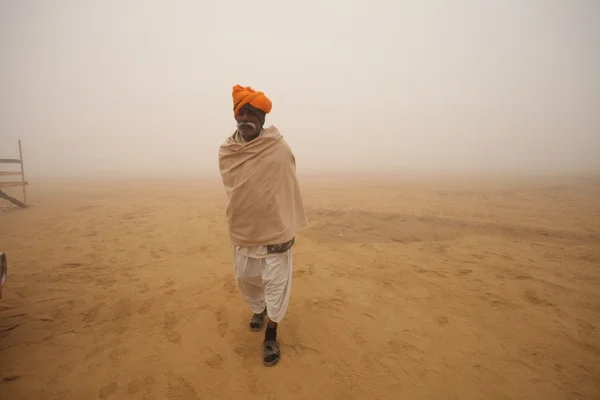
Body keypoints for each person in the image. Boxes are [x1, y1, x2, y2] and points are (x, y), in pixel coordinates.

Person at [218, 85, 308, 366]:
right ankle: (258, 309)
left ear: (261, 119)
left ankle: (271, 333)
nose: (244, 118)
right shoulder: (228, 150)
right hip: (244, 229)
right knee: (246, 278)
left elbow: (287, 181)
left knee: (276, 284)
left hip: (276, 231)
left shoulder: (278, 147)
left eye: (250, 113)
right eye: (240, 112)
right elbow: (234, 187)